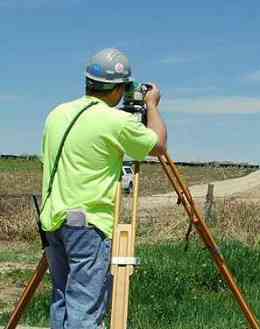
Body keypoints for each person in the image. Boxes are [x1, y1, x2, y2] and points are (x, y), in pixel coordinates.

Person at [40, 48, 167, 329]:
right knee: (84, 309)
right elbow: (157, 145)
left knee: (62, 300)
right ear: (118, 89)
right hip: (87, 224)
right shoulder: (115, 121)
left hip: (52, 220)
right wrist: (153, 106)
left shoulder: (57, 113)